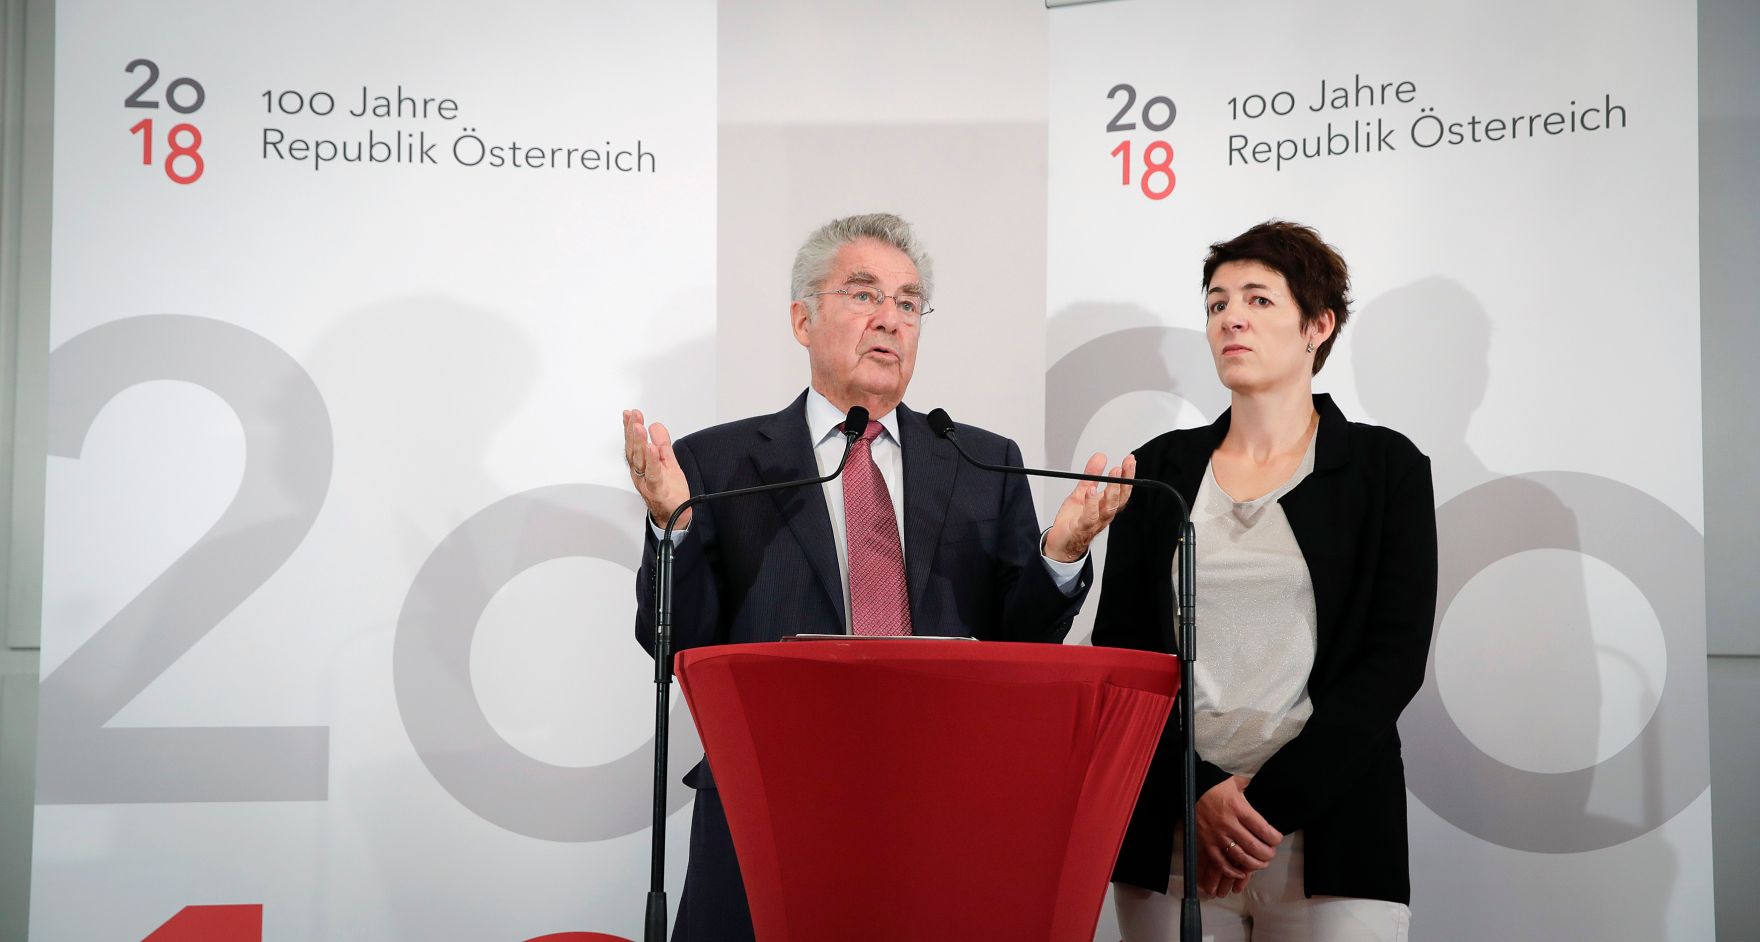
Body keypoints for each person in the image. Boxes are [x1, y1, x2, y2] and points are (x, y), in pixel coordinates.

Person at [622, 212, 1133, 942]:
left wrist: (1062, 553)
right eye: (864, 296)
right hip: (767, 808)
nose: (890, 320)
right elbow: (677, 643)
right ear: (803, 319)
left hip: (945, 811)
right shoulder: (718, 467)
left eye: (907, 302)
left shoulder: (980, 463)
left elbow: (1020, 644)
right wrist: (671, 527)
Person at [1095, 221, 1437, 941]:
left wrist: (1263, 809)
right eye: (1217, 304)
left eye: (1257, 300)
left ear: (1319, 325)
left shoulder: (1385, 469)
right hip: (1175, 832)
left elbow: (1393, 660)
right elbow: (1123, 663)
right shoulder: (1155, 469)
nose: (1232, 319)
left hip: (1333, 832)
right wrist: (1202, 792)